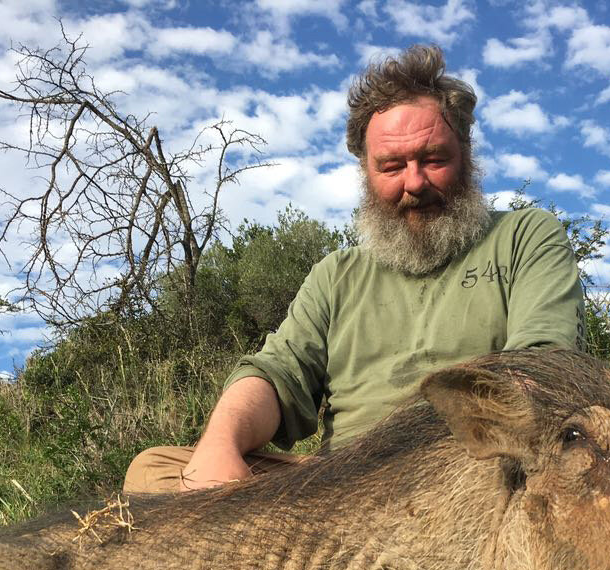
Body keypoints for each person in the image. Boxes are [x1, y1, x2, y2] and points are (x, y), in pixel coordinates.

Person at [123, 44, 585, 494]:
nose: (414, 182)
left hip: (475, 474)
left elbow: (541, 365)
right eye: (392, 166)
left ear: (465, 153)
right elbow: (277, 372)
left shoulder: (527, 236)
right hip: (343, 489)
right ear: (366, 170)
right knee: (155, 471)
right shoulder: (336, 274)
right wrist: (219, 446)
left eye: (433, 159)